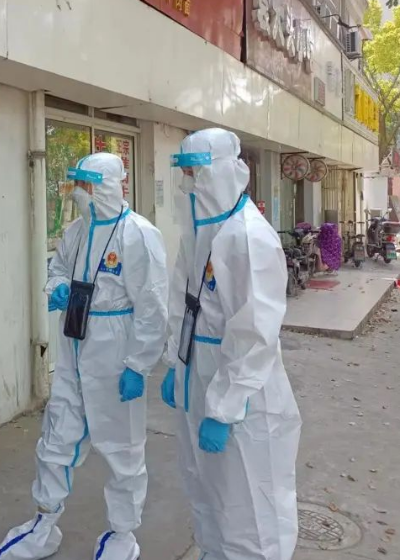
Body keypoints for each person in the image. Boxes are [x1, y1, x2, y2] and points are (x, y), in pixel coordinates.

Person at [0, 152, 169, 560]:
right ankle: (44, 522)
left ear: (108, 186)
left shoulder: (138, 234)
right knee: (58, 434)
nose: (80, 193)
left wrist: (139, 364)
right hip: (74, 340)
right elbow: (57, 268)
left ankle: (122, 534)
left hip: (115, 346)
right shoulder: (77, 230)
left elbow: (153, 306)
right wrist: (56, 286)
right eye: (78, 184)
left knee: (123, 446)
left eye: (87, 185)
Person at [160, 128, 302, 560]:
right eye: (184, 174)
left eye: (195, 173)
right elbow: (184, 304)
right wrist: (177, 362)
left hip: (242, 394)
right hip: (198, 373)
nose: (187, 185)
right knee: (207, 491)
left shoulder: (248, 237)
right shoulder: (201, 233)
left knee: (248, 506)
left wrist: (225, 406)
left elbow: (254, 334)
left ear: (222, 172)